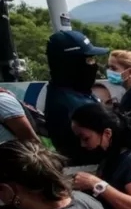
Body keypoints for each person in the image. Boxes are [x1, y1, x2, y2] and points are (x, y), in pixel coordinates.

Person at [43, 30, 108, 165]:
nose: (94, 65)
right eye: (89, 60)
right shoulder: (72, 105)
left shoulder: (74, 91)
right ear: (71, 65)